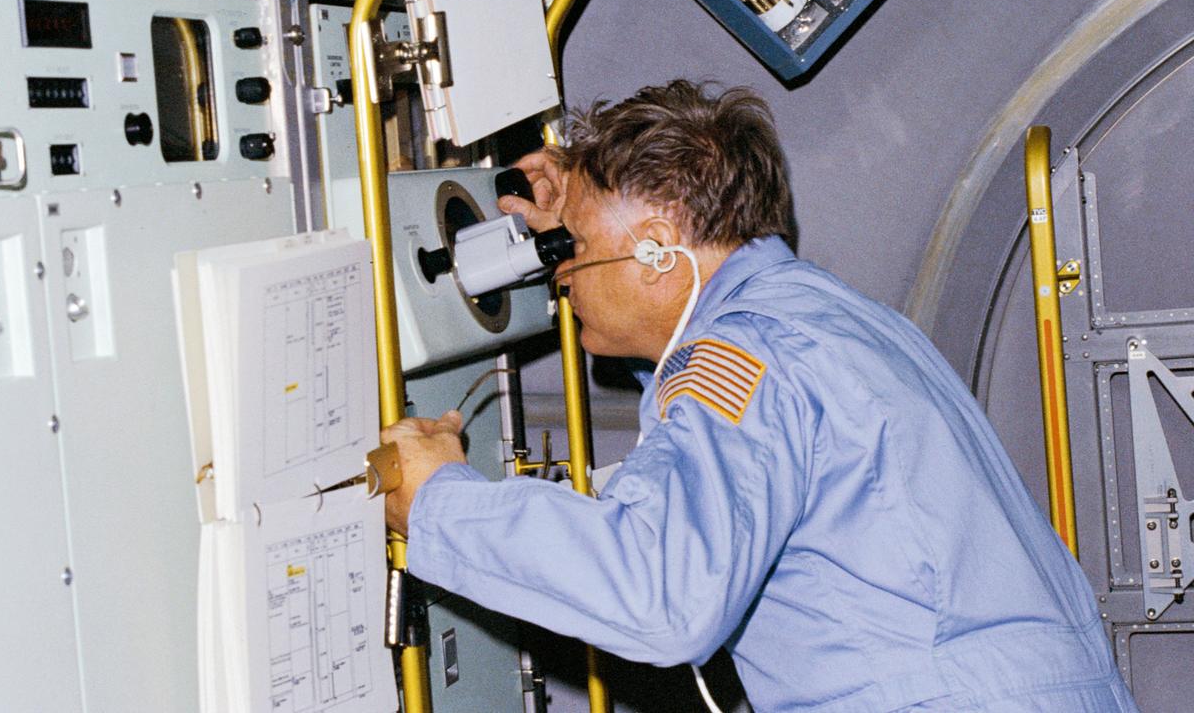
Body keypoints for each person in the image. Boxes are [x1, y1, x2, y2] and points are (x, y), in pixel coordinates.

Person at [381, 81, 1138, 711]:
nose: (561, 275)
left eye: (571, 247)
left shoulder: (743, 353)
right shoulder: (822, 320)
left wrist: (437, 501)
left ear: (654, 249)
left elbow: (658, 593)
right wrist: (582, 213)